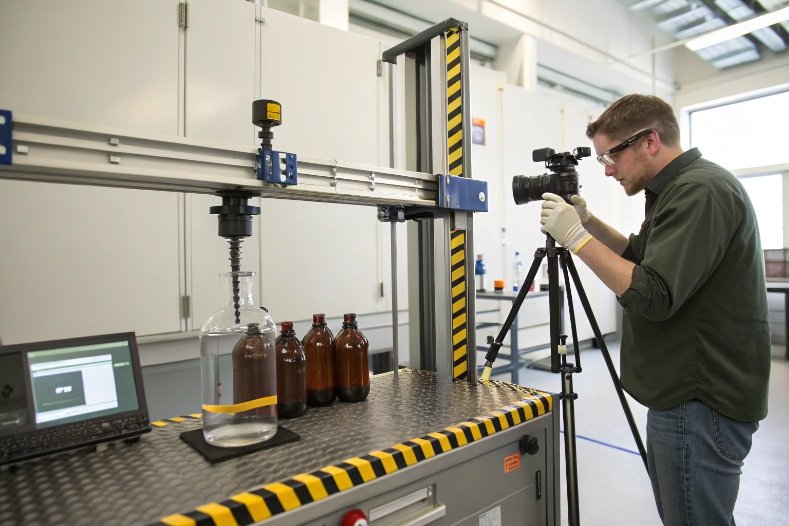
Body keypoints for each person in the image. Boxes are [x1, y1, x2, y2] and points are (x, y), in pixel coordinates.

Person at [539, 94, 770, 525]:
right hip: (689, 394)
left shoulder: (699, 191)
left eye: (612, 155)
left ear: (649, 141)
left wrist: (575, 240)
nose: (607, 169)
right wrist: (587, 223)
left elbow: (652, 292)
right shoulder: (678, 189)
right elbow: (640, 254)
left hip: (700, 399)